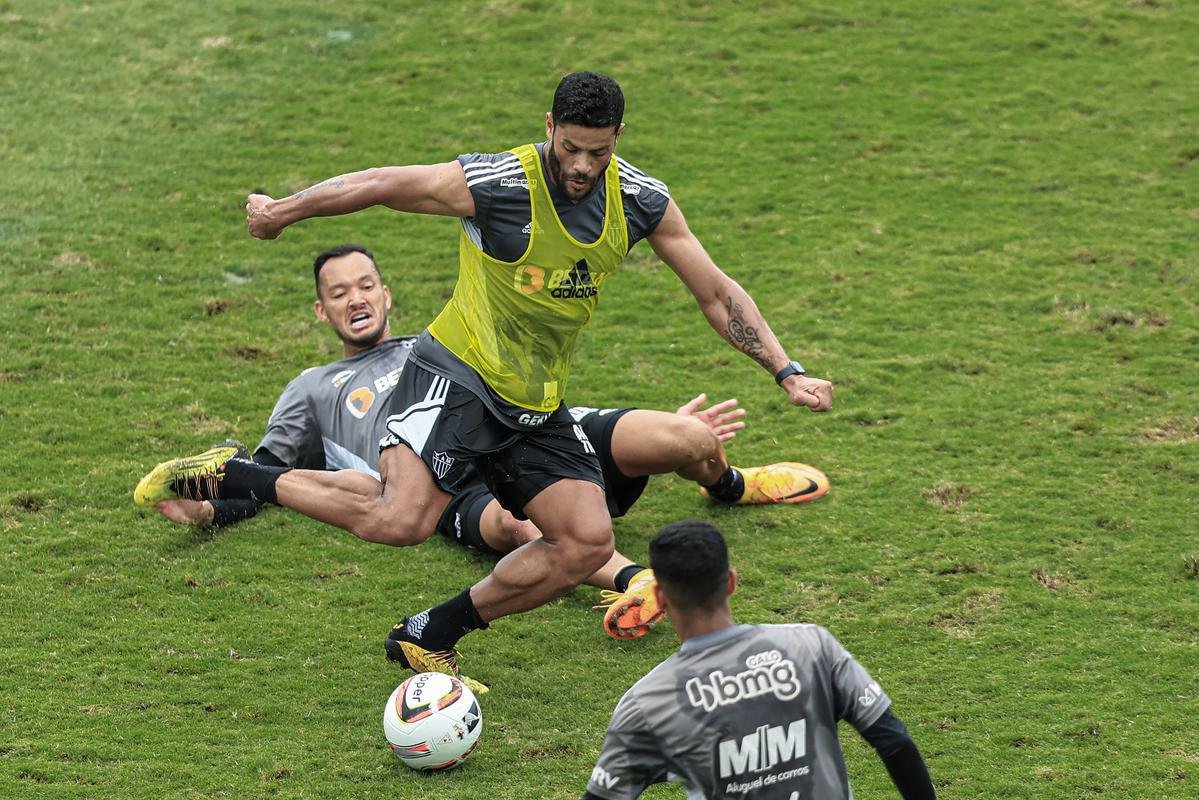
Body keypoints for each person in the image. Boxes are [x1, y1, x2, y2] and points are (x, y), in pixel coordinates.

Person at [137, 72, 833, 689]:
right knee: (399, 520)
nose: (584, 166)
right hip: (456, 377)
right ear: (549, 129)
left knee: (585, 542)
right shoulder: (498, 185)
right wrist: (285, 210)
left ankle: (428, 634)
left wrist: (784, 368)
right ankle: (237, 474)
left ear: (618, 136)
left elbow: (715, 292)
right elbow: (381, 184)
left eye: (600, 150)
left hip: (533, 402)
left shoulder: (642, 199)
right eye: (571, 149)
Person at [148, 244, 824, 640]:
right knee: (509, 523)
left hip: (536, 430)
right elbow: (269, 473)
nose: (354, 298)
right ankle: (635, 579)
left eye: (363, 285)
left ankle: (730, 486)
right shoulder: (315, 387)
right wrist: (212, 508)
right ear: (320, 311)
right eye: (336, 293)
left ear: (387, 294)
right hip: (450, 481)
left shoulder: (441, 346)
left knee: (686, 435)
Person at [582, 520, 936, 800]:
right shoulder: (811, 646)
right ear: (732, 582)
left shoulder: (648, 702)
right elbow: (894, 741)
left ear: (658, 596)